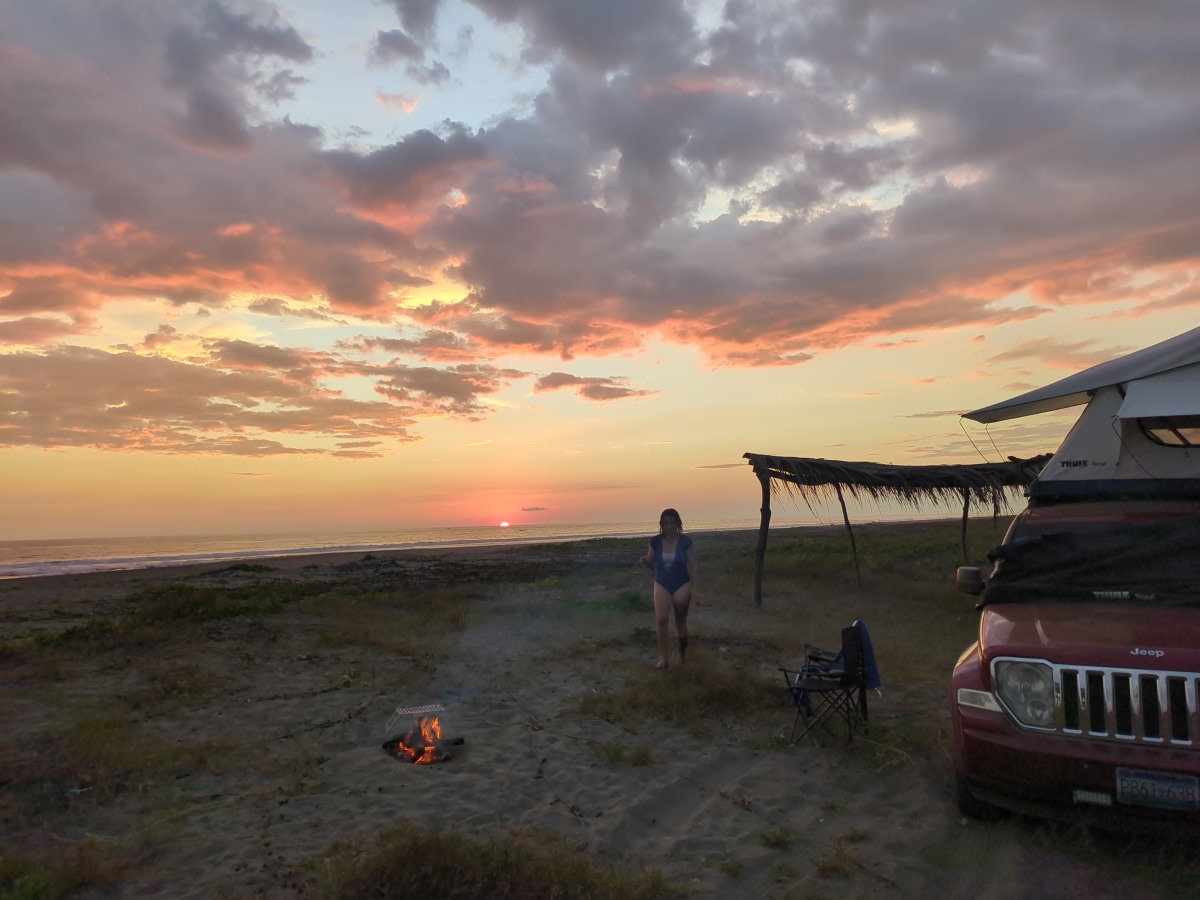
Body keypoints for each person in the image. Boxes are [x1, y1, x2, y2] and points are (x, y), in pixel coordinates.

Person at [640, 508, 697, 669]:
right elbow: (651, 563)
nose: (669, 526)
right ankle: (664, 659)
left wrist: (694, 587)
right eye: (666, 523)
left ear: (677, 524)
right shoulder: (655, 541)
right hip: (662, 582)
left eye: (672, 523)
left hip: (682, 582)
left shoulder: (686, 542)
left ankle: (682, 656)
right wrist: (645, 562)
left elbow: (693, 565)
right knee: (661, 620)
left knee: (680, 622)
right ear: (662, 525)